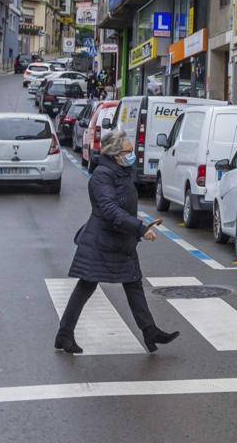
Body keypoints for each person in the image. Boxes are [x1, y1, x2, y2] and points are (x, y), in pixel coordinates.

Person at [54, 129, 180, 354]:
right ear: (115, 153)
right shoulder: (103, 175)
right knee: (86, 285)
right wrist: (140, 228)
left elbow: (123, 207)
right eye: (128, 151)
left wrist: (138, 226)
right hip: (102, 241)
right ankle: (65, 334)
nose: (132, 155)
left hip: (120, 240)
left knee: (134, 283)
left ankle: (149, 331)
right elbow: (110, 210)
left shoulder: (121, 172)